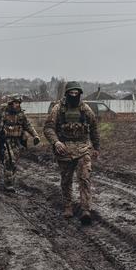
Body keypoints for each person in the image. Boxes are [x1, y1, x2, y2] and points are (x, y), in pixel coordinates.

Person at [43, 81, 99, 224]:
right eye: (71, 93)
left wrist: (96, 148)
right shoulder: (58, 109)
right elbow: (48, 128)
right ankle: (68, 205)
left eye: (76, 93)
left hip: (82, 149)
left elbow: (94, 128)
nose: (74, 95)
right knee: (66, 180)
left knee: (85, 178)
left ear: (79, 94)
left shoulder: (85, 109)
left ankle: (85, 209)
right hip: (64, 150)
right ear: (67, 94)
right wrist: (56, 142)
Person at [0, 94, 41, 192]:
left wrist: (35, 135)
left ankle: (11, 182)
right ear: (10, 103)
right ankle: (8, 184)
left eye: (18, 103)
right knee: (9, 160)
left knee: (14, 162)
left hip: (17, 141)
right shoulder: (3, 113)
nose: (17, 105)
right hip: (6, 140)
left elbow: (28, 126)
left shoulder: (21, 115)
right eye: (15, 103)